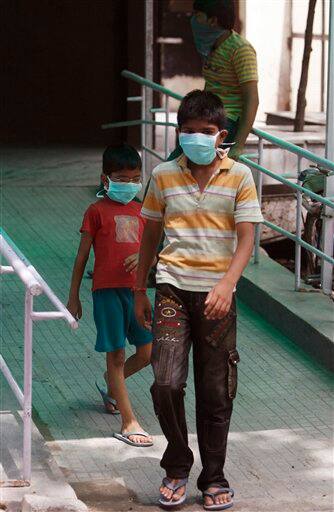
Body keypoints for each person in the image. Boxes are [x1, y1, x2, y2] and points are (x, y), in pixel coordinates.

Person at [134, 90, 263, 509]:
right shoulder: (164, 174)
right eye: (188, 131)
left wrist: (227, 284)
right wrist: (140, 287)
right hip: (172, 287)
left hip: (218, 297)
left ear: (220, 134)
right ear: (178, 133)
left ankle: (214, 476)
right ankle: (176, 464)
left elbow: (246, 237)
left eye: (205, 132)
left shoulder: (240, 176)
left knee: (216, 390)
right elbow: (151, 232)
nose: (196, 138)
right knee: (166, 382)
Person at [67, 143, 153, 447]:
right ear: (106, 179)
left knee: (147, 353)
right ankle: (128, 421)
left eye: (134, 178)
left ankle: (111, 385)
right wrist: (73, 296)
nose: (128, 184)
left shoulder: (144, 209)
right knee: (115, 354)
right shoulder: (96, 211)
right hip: (106, 292)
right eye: (121, 178)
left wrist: (147, 260)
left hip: (137, 292)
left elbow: (153, 250)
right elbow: (81, 257)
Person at [191, 0, 259, 161]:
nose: (193, 20)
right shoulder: (210, 46)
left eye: (197, 15)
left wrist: (238, 146)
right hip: (204, 115)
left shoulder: (241, 50)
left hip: (226, 121)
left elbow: (252, 99)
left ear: (213, 21)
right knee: (175, 166)